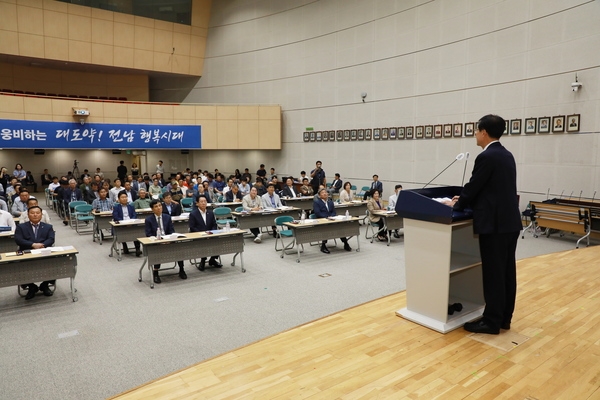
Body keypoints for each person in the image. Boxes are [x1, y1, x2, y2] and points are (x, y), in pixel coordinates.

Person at [446, 114, 521, 335]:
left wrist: (457, 204)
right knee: (507, 272)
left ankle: (491, 321)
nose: (475, 135)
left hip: (494, 225)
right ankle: (504, 317)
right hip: (509, 223)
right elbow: (493, 189)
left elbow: (474, 186)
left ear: (484, 132)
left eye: (476, 131)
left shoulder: (487, 157)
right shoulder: (506, 155)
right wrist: (467, 198)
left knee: (494, 274)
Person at [15, 206, 56, 299]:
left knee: (54, 264)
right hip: (27, 252)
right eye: (32, 213)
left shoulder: (48, 227)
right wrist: (33, 244)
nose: (35, 215)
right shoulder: (21, 227)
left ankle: (45, 285)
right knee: (20, 268)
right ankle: (31, 287)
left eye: (37, 213)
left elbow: (51, 239)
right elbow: (18, 240)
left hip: (43, 251)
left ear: (41, 215)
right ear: (28, 215)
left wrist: (41, 245)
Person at [145, 200, 187, 284]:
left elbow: (171, 230)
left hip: (168, 240)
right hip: (156, 242)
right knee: (157, 251)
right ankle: (155, 272)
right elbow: (148, 234)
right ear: (152, 209)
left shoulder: (167, 217)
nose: (159, 208)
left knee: (179, 248)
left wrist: (169, 239)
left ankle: (181, 270)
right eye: (156, 206)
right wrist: (157, 240)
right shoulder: (149, 220)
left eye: (160, 205)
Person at [312, 188, 352, 253]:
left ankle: (345, 243)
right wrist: (327, 217)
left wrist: (332, 217)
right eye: (322, 193)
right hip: (322, 220)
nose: (325, 193)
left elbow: (334, 212)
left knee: (339, 227)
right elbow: (317, 213)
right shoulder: (316, 202)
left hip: (331, 219)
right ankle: (323, 246)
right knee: (326, 228)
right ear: (319, 195)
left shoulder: (330, 202)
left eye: (325, 192)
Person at [188, 196, 222, 270]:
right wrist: (202, 234)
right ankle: (203, 260)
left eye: (205, 201)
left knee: (218, 240)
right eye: (201, 201)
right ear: (197, 203)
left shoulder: (210, 213)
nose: (203, 203)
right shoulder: (193, 214)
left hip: (210, 235)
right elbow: (192, 227)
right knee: (203, 242)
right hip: (199, 236)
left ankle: (212, 259)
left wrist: (211, 233)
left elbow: (214, 224)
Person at [113, 190, 141, 257]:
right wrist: (124, 222)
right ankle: (124, 245)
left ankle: (138, 249)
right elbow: (116, 217)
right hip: (122, 224)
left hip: (131, 223)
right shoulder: (116, 207)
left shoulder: (131, 206)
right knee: (122, 231)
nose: (124, 199)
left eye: (125, 197)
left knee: (136, 231)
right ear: (119, 199)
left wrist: (131, 221)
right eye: (122, 197)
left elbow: (134, 215)